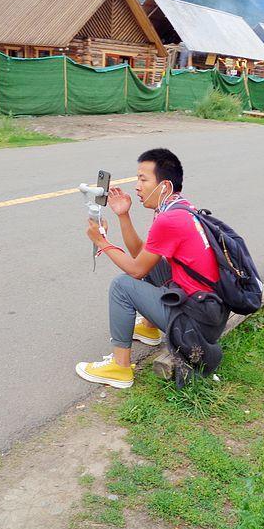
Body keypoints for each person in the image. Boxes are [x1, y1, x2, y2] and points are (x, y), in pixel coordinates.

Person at [76, 149, 228, 389]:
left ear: (164, 185)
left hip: (195, 324)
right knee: (153, 266)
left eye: (143, 179)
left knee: (122, 285)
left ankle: (120, 367)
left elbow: (136, 270)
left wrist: (101, 242)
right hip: (209, 312)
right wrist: (123, 215)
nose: (137, 186)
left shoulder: (169, 220)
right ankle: (148, 328)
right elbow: (142, 256)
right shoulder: (179, 208)